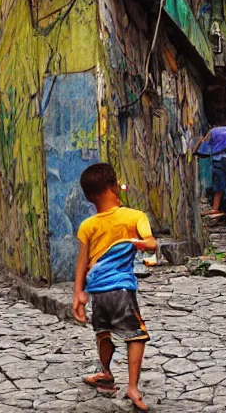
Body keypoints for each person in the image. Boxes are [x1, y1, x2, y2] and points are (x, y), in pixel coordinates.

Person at [72, 163, 157, 411]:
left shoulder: (87, 226)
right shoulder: (135, 217)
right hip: (121, 290)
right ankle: (132, 387)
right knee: (136, 335)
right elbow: (151, 243)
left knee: (103, 332)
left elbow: (82, 263)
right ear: (112, 187)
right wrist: (138, 242)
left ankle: (107, 374)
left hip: (97, 293)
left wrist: (78, 295)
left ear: (89, 196)